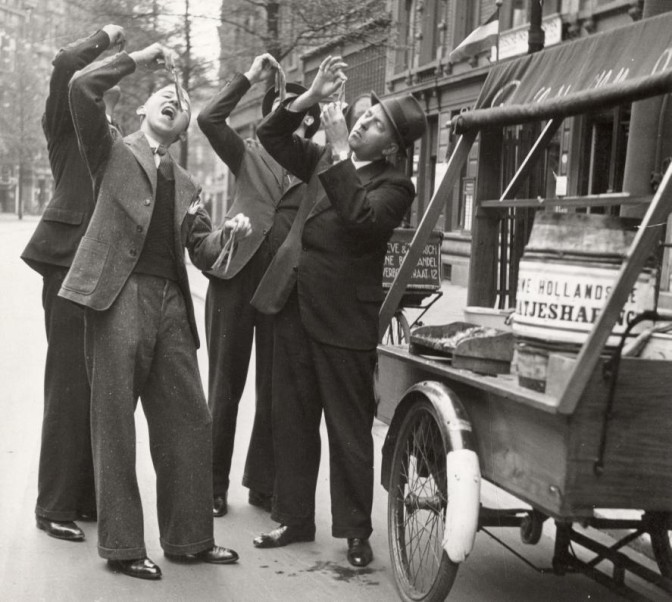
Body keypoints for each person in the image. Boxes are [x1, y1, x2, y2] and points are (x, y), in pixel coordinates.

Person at [59, 41, 246, 580]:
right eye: (163, 94)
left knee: (190, 419)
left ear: (185, 126)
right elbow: (81, 87)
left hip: (171, 306)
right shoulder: (111, 149)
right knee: (114, 424)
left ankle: (189, 539)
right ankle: (122, 547)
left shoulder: (188, 185)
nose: (173, 98)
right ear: (141, 110)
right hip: (117, 295)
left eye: (181, 100)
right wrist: (140, 59)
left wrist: (227, 235)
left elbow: (204, 251)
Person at [252, 56, 427, 567]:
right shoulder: (324, 158)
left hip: (344, 321)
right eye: (363, 116)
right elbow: (270, 135)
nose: (362, 122)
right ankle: (293, 517)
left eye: (374, 124)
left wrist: (338, 150)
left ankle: (355, 532)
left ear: (390, 146)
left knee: (348, 431)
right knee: (293, 419)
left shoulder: (396, 185)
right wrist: (306, 101)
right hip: (296, 309)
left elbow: (362, 224)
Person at [197, 53, 320, 518]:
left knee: (274, 389)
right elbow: (209, 118)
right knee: (225, 385)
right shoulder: (246, 152)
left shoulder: (311, 165)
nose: (292, 123)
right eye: (280, 112)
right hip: (234, 279)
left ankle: (263, 484)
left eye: (300, 116)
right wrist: (250, 75)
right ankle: (211, 485)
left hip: (282, 290)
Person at [21, 24, 125, 543]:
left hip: (107, 270)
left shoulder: (113, 133)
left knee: (93, 385)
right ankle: (54, 505)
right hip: (67, 264)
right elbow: (65, 63)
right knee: (67, 383)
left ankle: (82, 495)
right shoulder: (64, 121)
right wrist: (106, 37)